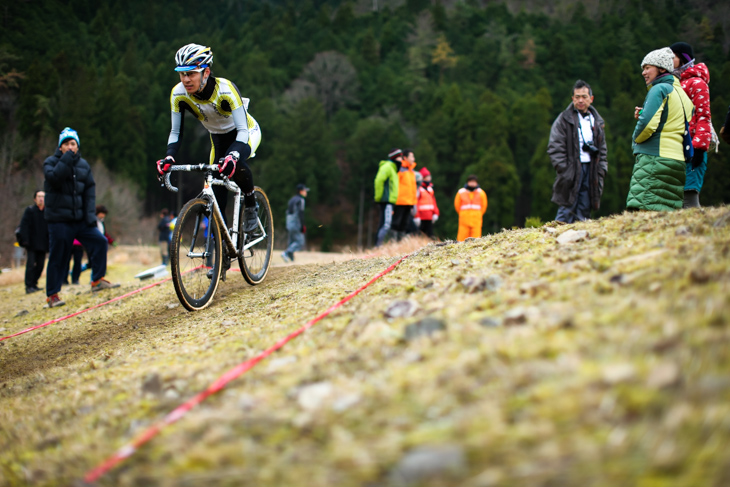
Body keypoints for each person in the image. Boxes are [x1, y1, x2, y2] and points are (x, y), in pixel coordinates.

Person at [155, 43, 262, 273]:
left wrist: (234, 155)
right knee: (217, 198)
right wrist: (169, 158)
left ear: (205, 72)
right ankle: (223, 256)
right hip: (218, 139)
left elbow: (243, 130)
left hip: (245, 133)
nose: (186, 79)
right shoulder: (178, 94)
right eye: (182, 74)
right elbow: (175, 133)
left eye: (191, 73)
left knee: (234, 166)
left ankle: (251, 203)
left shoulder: (225, 89)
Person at [43, 127, 119, 308]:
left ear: (78, 146)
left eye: (73, 144)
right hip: (59, 220)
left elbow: (89, 193)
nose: (70, 147)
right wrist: (67, 159)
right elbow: (54, 179)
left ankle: (97, 281)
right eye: (66, 144)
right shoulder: (50, 162)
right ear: (60, 146)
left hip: (80, 220)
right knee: (58, 256)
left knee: (100, 241)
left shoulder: (84, 165)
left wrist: (90, 218)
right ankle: (52, 295)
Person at [627, 48, 693, 212]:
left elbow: (647, 125)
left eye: (647, 67)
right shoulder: (681, 93)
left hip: (655, 160)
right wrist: (645, 112)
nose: (644, 72)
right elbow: (672, 121)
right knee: (666, 216)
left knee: (643, 211)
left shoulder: (659, 89)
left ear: (662, 68)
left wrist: (636, 141)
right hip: (677, 162)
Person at [547, 80, 608, 223]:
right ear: (572, 98)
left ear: (591, 99)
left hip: (591, 168)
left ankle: (580, 237)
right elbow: (555, 146)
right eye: (577, 97)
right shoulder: (563, 119)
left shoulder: (597, 121)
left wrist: (602, 169)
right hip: (572, 168)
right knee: (567, 205)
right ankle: (557, 235)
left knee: (585, 206)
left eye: (584, 97)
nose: (581, 100)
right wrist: (565, 168)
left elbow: (603, 149)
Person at [669, 42, 712, 208]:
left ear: (682, 58)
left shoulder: (697, 83)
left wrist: (699, 147)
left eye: (672, 57)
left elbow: (704, 116)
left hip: (693, 147)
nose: (669, 60)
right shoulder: (675, 83)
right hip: (678, 147)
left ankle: (699, 231)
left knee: (689, 198)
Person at [18, 190, 48, 294]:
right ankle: (29, 286)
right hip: (31, 243)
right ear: (35, 199)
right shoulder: (30, 211)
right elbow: (24, 226)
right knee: (30, 265)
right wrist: (25, 240)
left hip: (43, 244)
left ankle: (34, 284)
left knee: (40, 265)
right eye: (39, 196)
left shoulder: (47, 212)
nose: (41, 199)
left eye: (43, 197)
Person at [373, 149, 401, 246]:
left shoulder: (393, 169)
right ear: (395, 157)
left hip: (390, 201)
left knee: (383, 223)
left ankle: (378, 246)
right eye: (400, 157)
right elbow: (378, 181)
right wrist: (379, 198)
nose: (401, 160)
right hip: (386, 201)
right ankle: (378, 246)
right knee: (386, 225)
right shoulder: (387, 167)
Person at [393, 149, 417, 240]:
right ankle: (393, 242)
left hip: (409, 202)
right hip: (400, 201)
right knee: (396, 223)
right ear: (405, 157)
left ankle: (400, 243)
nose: (413, 159)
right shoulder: (400, 169)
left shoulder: (411, 171)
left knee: (404, 224)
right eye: (412, 156)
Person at [454, 175, 487, 242]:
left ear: (477, 183)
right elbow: (457, 205)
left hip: (476, 220)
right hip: (464, 220)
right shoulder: (461, 192)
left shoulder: (481, 192)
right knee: (461, 239)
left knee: (476, 240)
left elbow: (484, 206)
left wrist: (479, 214)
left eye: (474, 182)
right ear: (467, 182)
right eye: (471, 182)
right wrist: (462, 213)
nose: (472, 184)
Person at [282, 184, 309, 263]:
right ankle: (286, 253)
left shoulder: (292, 199)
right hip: (296, 223)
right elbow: (301, 213)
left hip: (289, 223)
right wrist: (302, 225)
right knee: (300, 242)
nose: (306, 192)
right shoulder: (301, 200)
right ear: (301, 191)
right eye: (305, 191)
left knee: (291, 241)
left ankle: (291, 258)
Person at [416, 167, 439, 237]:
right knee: (420, 235)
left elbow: (433, 202)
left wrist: (436, 213)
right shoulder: (419, 189)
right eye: (427, 176)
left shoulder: (430, 189)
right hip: (421, 217)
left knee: (430, 235)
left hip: (430, 216)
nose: (429, 178)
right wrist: (416, 216)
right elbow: (416, 203)